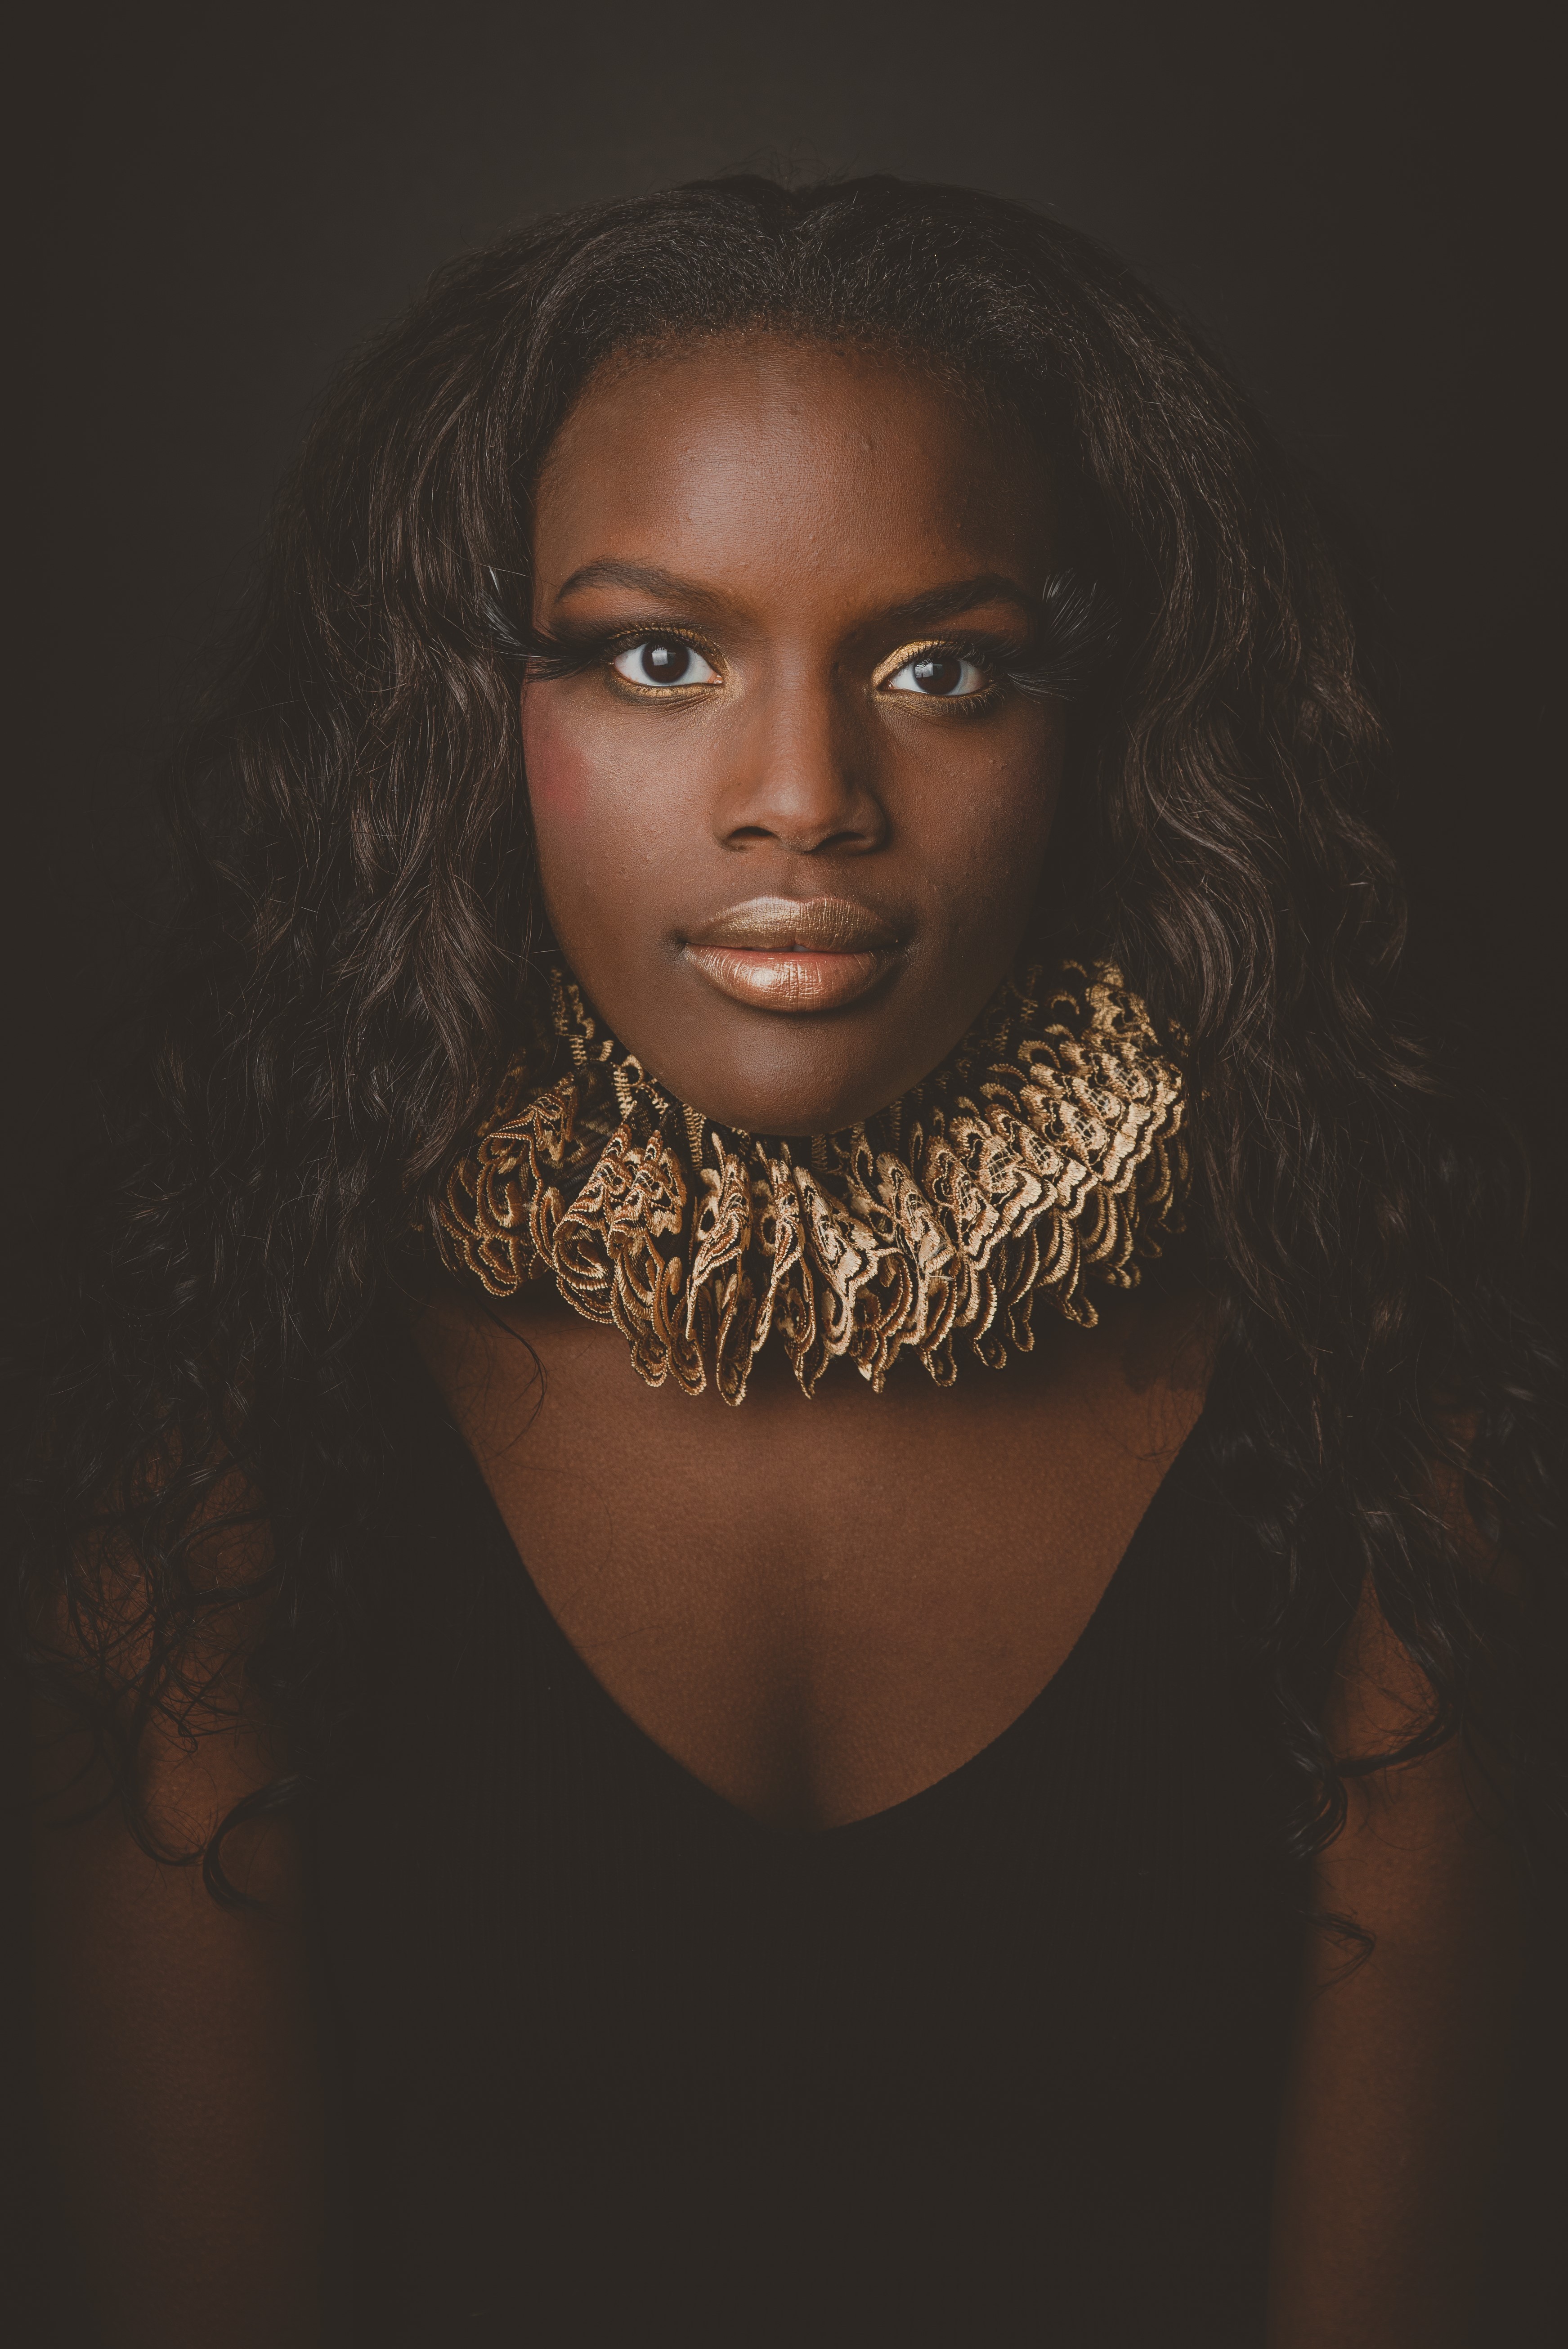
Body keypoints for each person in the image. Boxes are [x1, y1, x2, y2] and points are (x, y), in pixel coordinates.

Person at [17, 175, 1561, 2347]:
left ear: (1099, 724)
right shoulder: (216, 1445)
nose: (804, 796)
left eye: (942, 668)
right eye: (658, 657)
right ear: (467, 710)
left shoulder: (1385, 1429)